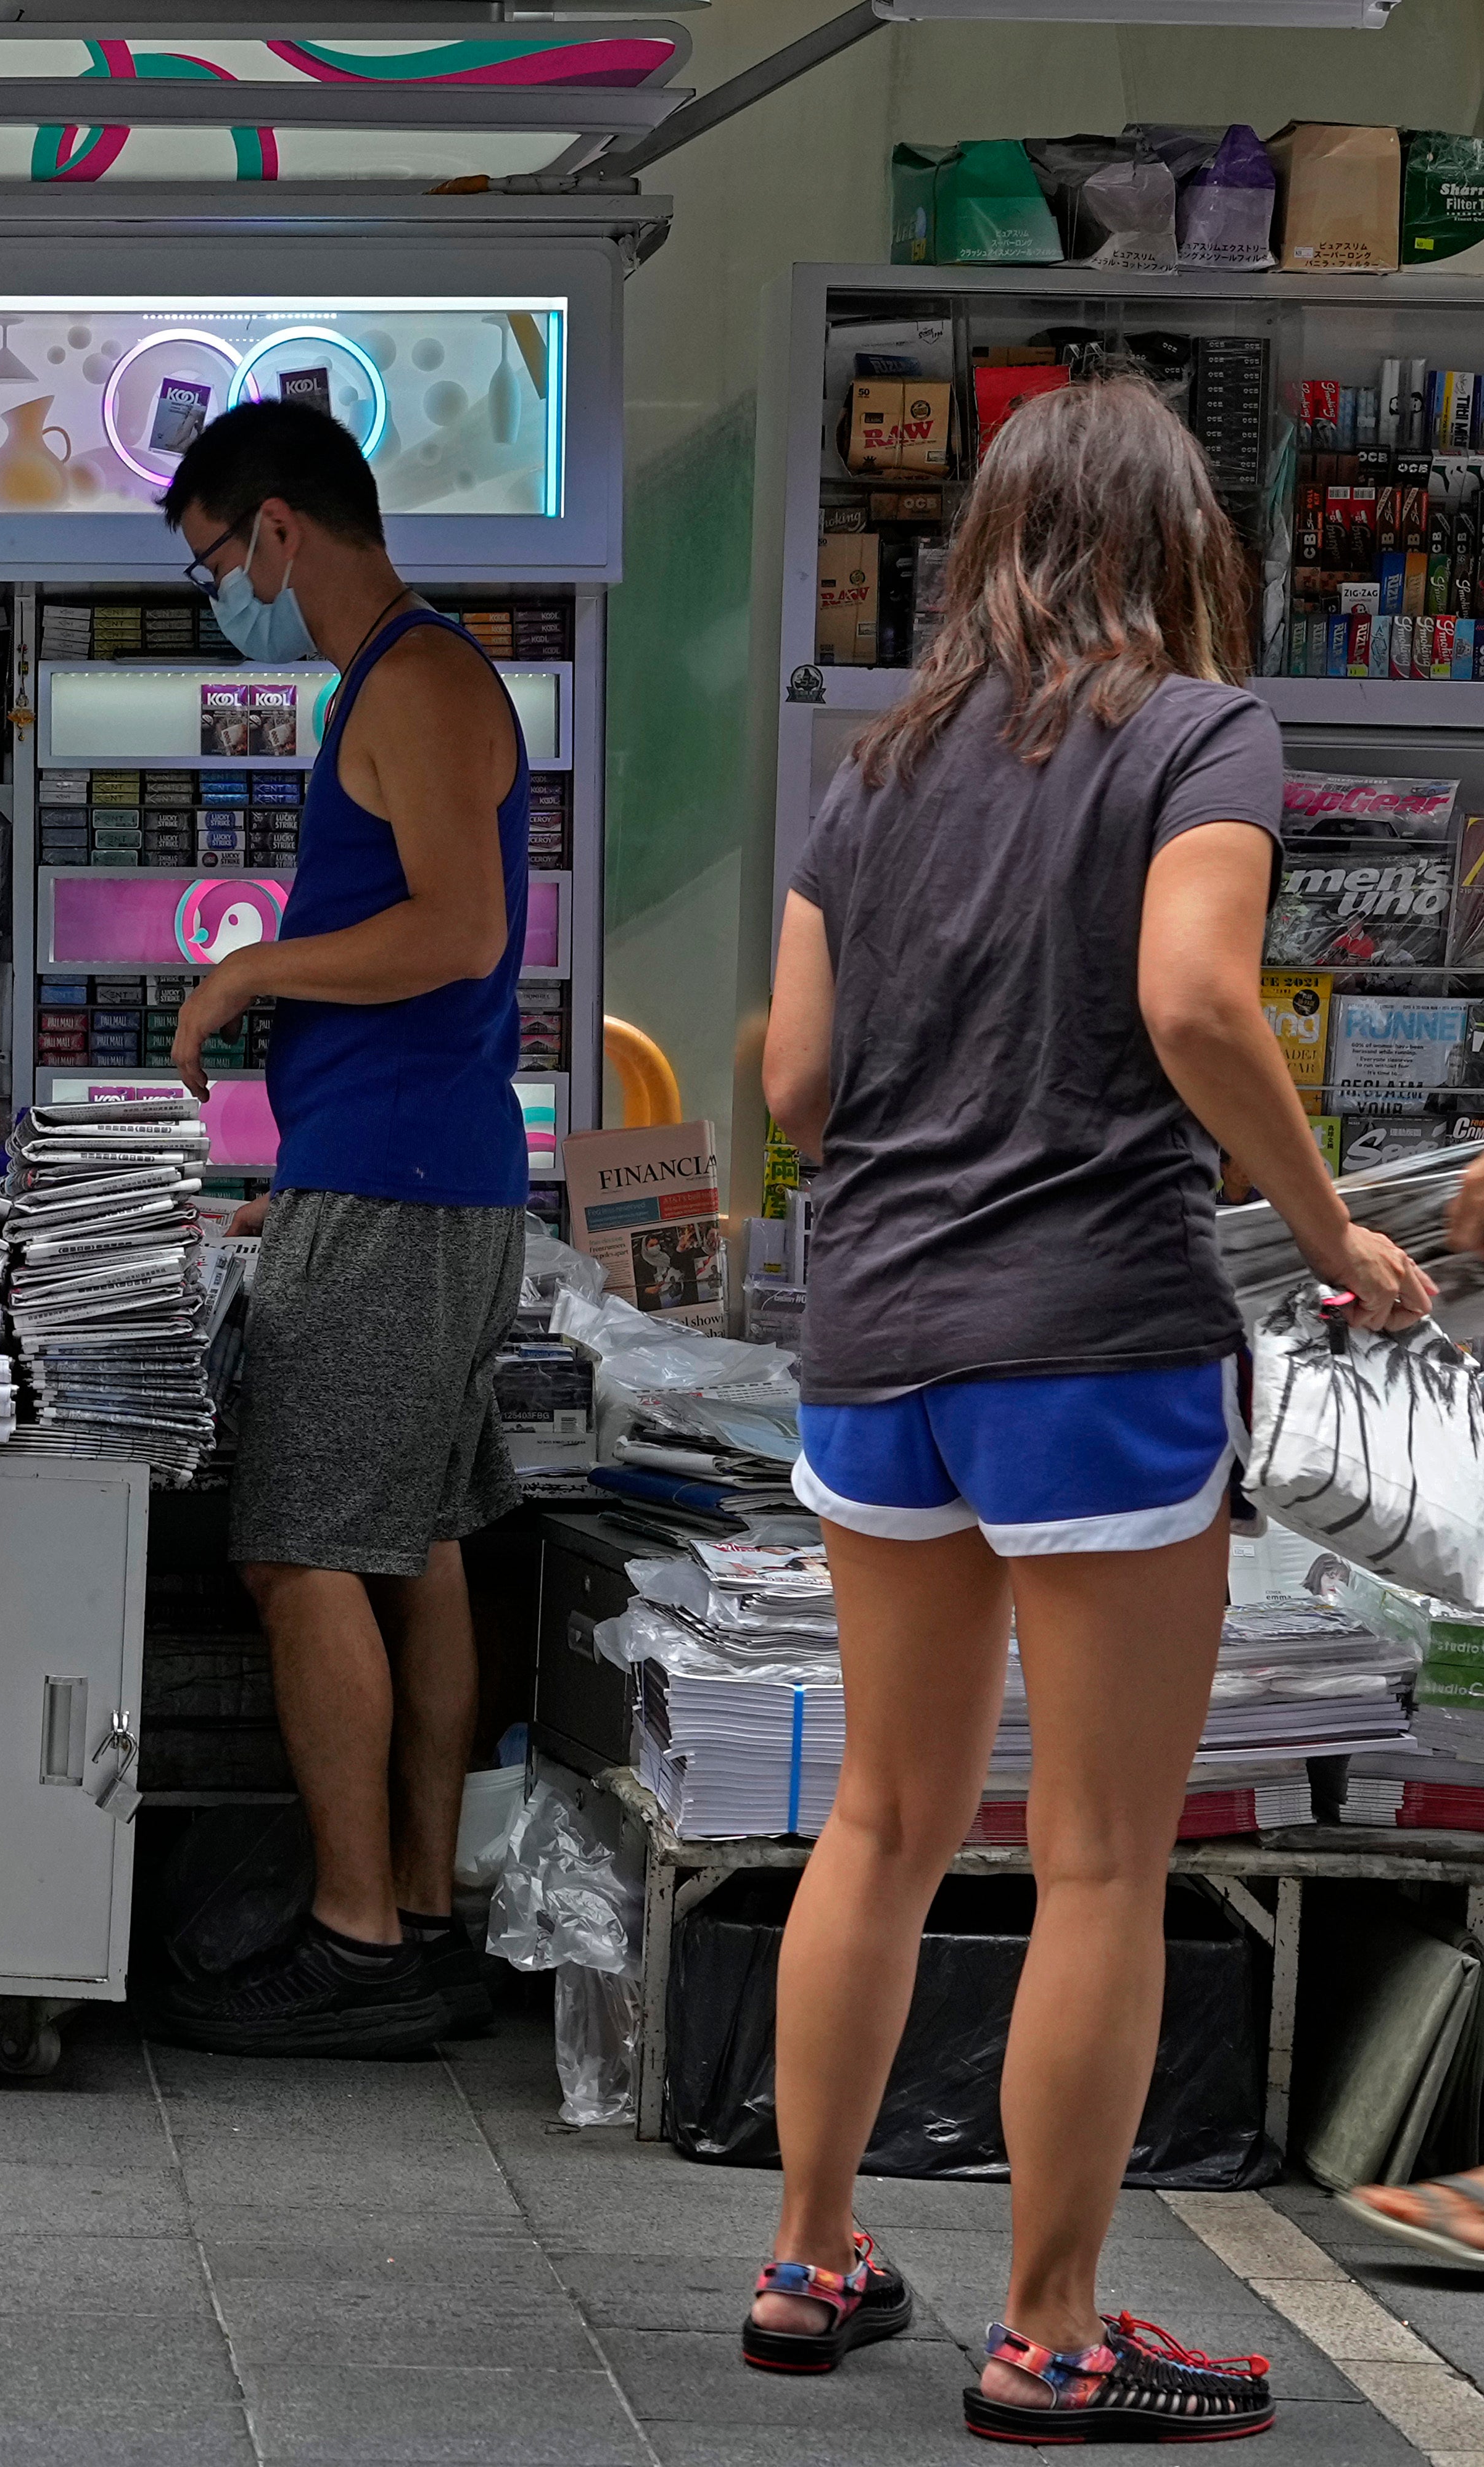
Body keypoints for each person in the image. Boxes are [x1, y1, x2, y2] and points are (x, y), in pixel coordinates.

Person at [747, 379, 1429, 2441]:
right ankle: (1050, 2325)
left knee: (878, 1812)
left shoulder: (875, 772)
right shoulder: (1206, 730)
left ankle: (813, 2249)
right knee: (1106, 1856)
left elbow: (790, 1085)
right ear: (1185, 549)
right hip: (1093, 1345)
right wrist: (1332, 1230)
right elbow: (1201, 999)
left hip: (877, 1342)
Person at [154, 400, 530, 2059]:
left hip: (395, 1184)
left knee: (299, 1541)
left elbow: (460, 927)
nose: (225, 589)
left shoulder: (427, 679)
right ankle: (428, 1905)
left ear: (283, 529)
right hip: (397, 1172)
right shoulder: (396, 684)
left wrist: (252, 969)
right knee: (422, 1538)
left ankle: (358, 1929)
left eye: (220, 560)